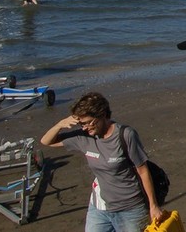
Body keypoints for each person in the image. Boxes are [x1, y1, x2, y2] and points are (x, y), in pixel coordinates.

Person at [40, 92, 166, 231]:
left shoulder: (125, 135)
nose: (85, 127)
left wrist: (153, 206)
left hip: (131, 210)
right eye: (82, 123)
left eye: (88, 122)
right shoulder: (83, 137)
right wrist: (60, 125)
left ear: (102, 115)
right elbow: (46, 141)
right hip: (99, 209)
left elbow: (143, 171)